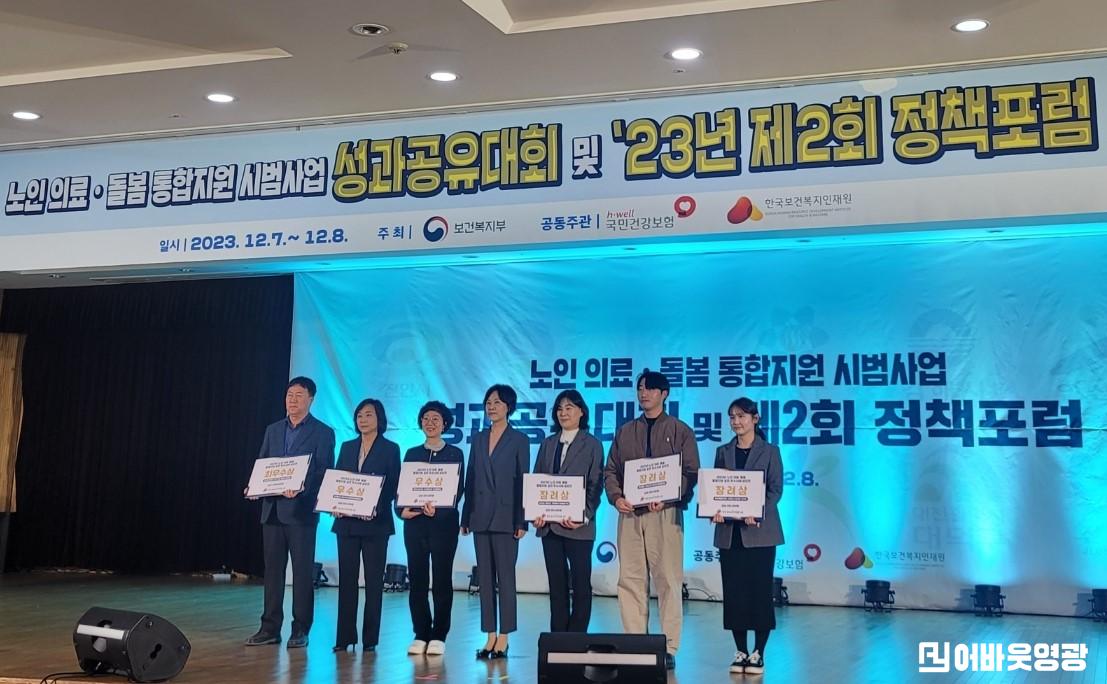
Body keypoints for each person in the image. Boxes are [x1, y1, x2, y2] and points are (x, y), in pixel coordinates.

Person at [602, 370, 699, 669]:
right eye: (640, 388)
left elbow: (690, 472)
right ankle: (635, 643)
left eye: (650, 389)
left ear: (664, 394)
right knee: (630, 579)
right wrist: (616, 497)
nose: (643, 394)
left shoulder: (680, 430)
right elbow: (611, 470)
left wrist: (669, 496)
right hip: (630, 513)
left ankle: (668, 647)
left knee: (668, 580)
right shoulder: (625, 431)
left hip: (664, 514)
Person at [245, 376, 336, 649]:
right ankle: (269, 628)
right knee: (273, 573)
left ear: (311, 399)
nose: (292, 400)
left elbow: (323, 471)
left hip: (301, 512)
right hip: (272, 510)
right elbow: (263, 463)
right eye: (289, 395)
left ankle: (300, 629)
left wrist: (301, 489)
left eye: (298, 395)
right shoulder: (273, 430)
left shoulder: (322, 432)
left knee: (302, 573)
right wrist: (254, 486)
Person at [711, 397, 784, 675]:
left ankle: (758, 652)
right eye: (732, 417)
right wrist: (715, 510)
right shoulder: (723, 451)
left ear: (755, 419)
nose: (736, 422)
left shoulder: (770, 451)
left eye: (741, 416)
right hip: (730, 534)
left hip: (760, 534)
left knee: (760, 593)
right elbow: (716, 489)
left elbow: (775, 489)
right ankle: (740, 650)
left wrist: (758, 510)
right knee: (734, 593)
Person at [460, 384, 529, 659]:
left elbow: (522, 481)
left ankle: (504, 636)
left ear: (508, 407)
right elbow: (471, 477)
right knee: (484, 580)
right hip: (479, 515)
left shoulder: (519, 439)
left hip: (505, 517)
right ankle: (489, 635)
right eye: (488, 402)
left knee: (506, 578)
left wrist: (521, 521)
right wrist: (466, 516)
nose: (492, 407)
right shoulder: (478, 438)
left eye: (497, 402)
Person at [331, 398, 400, 653]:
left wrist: (375, 508)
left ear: (379, 419)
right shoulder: (347, 447)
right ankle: (344, 637)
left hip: (376, 525)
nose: (363, 419)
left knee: (373, 583)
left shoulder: (390, 448)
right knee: (346, 582)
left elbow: (392, 485)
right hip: (346, 524)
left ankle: (370, 640)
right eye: (359, 415)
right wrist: (334, 503)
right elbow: (338, 480)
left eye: (369, 415)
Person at [532, 389, 604, 632]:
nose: (563, 413)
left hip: (579, 528)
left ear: (581, 412)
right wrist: (535, 513)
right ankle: (558, 637)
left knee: (581, 584)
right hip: (549, 527)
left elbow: (596, 484)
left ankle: (577, 637)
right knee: (556, 585)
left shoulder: (592, 444)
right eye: (560, 408)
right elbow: (538, 481)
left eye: (569, 408)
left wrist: (584, 515)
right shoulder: (548, 443)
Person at [398, 401, 464, 656]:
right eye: (426, 418)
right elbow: (402, 488)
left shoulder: (455, 453)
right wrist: (401, 510)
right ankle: (420, 632)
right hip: (415, 526)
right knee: (417, 580)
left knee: (442, 580)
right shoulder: (411, 453)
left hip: (443, 526)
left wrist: (440, 510)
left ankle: (439, 634)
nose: (430, 423)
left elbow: (458, 489)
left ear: (445, 423)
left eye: (436, 418)